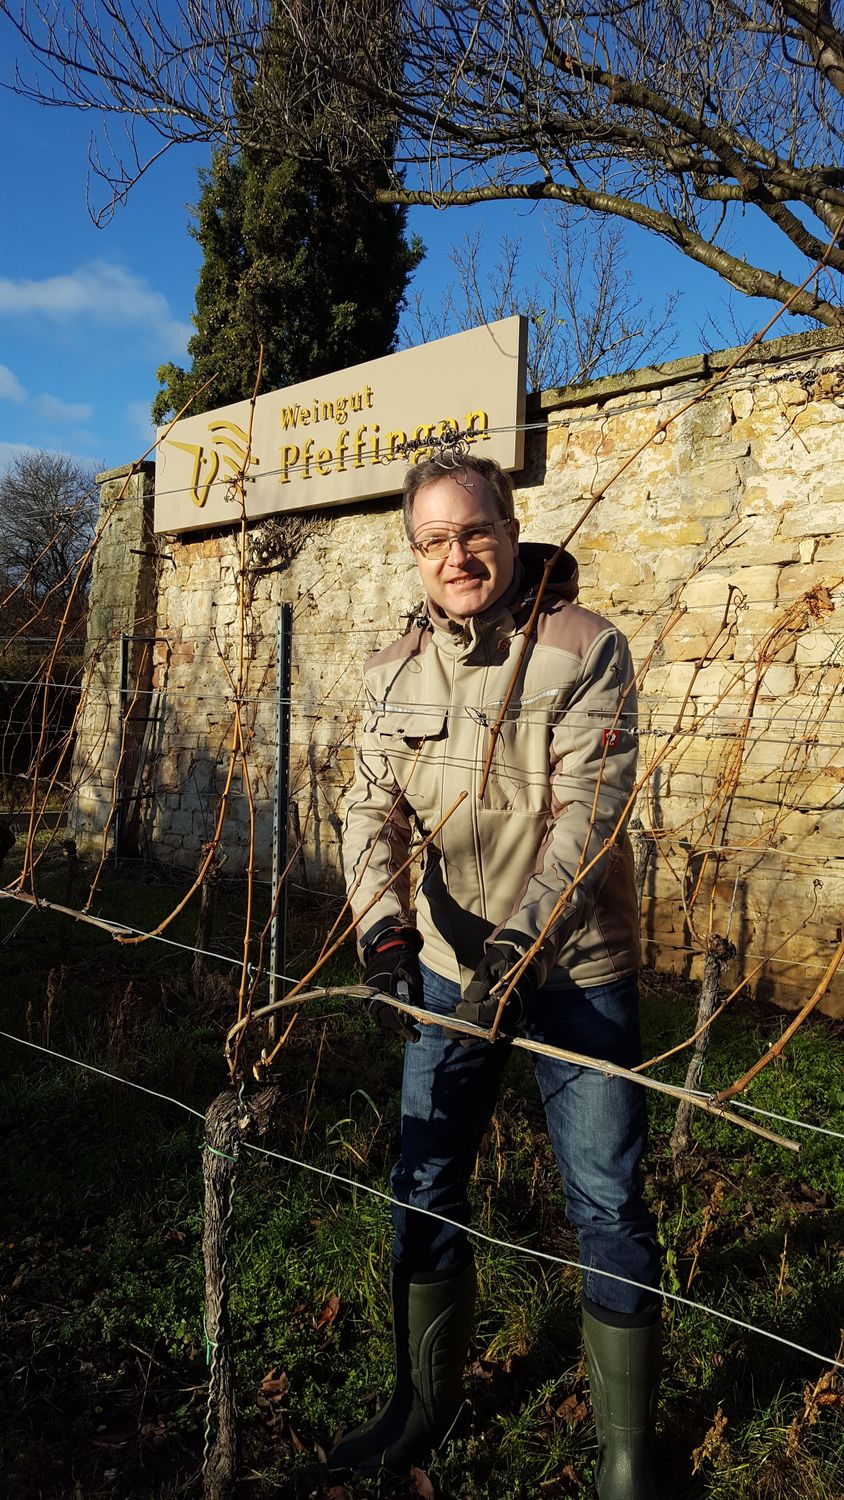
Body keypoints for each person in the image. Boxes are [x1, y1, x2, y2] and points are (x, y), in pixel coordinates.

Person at [331, 452, 661, 1498]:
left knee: (605, 1199)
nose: (455, 556)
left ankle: (624, 1457)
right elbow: (367, 812)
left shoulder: (584, 649)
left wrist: (521, 944)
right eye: (432, 541)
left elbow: (588, 819)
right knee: (423, 1180)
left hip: (574, 971)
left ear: (511, 534)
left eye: (472, 533)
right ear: (415, 555)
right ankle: (420, 1401)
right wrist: (383, 931)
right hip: (440, 970)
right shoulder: (391, 672)